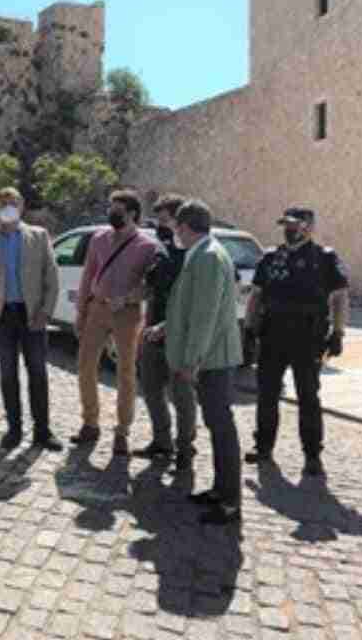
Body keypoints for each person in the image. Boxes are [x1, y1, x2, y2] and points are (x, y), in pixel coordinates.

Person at [147, 199, 242, 524]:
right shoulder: (202, 253)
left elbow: (205, 316)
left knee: (221, 427)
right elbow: (189, 307)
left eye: (176, 228)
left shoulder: (209, 257)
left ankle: (229, 501)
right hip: (209, 357)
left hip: (213, 358)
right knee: (217, 426)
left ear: (185, 227)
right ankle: (219, 489)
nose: (175, 234)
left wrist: (190, 361)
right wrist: (165, 327)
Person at [243, 207, 350, 476]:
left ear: (308, 227)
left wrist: (338, 333)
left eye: (294, 225)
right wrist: (249, 327)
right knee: (267, 394)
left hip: (308, 338)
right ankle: (263, 447)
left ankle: (312, 455)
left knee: (308, 397)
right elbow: (256, 295)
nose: (288, 230)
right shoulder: (271, 257)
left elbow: (339, 298)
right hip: (272, 335)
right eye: (286, 225)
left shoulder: (324, 258)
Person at [0, 187, 63, 451]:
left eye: (13, 202)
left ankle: (42, 431)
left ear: (22, 206)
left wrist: (45, 312)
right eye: (3, 203)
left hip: (32, 314)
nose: (8, 206)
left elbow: (51, 279)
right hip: (2, 317)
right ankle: (14, 429)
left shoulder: (39, 236)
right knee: (8, 374)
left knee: (38, 374)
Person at [71, 188, 159, 454]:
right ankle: (90, 423)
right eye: (111, 208)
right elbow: (88, 275)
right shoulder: (99, 238)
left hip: (127, 314)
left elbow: (150, 286)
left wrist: (130, 298)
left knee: (126, 373)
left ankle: (122, 431)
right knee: (85, 366)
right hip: (97, 308)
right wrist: (80, 312)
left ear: (132, 213)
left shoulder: (147, 246)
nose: (112, 214)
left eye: (117, 210)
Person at [133, 194, 198, 471]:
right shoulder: (161, 249)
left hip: (179, 334)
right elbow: (152, 288)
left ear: (179, 221)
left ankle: (185, 448)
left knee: (182, 395)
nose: (159, 226)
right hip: (153, 330)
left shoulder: (194, 253)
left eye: (164, 220)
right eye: (157, 220)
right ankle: (162, 441)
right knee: (150, 388)